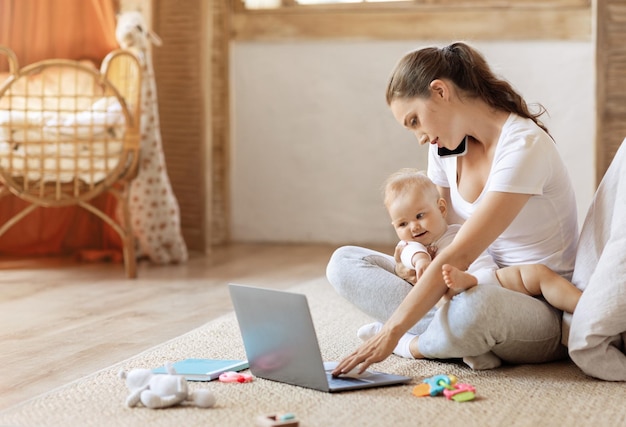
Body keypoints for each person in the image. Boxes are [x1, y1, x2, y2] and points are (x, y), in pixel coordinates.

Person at [327, 41, 579, 375]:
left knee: (475, 309)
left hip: (531, 306)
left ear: (440, 91)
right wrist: (413, 260)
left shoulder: (523, 146)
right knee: (344, 262)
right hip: (459, 285)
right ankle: (457, 340)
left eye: (415, 120)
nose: (419, 137)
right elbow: (440, 235)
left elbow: (458, 253)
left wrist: (393, 333)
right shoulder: (445, 145)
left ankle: (418, 345)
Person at [360, 167, 582, 359]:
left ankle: (584, 307)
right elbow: (413, 253)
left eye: (419, 216)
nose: (413, 228)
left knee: (538, 273)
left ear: (442, 208)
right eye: (402, 224)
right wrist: (421, 263)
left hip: (491, 278)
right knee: (346, 259)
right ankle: (457, 337)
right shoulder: (411, 246)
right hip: (449, 294)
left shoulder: (459, 230)